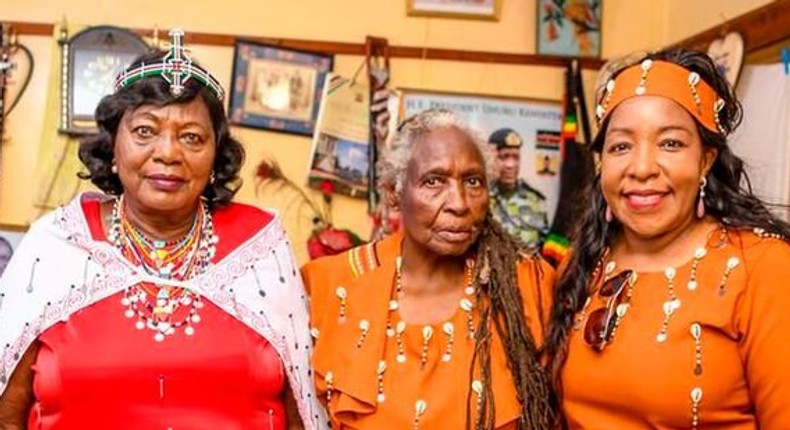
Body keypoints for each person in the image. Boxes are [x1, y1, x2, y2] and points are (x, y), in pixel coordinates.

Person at [0, 30, 326, 430]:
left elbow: (302, 414)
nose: (168, 153)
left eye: (191, 137)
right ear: (113, 149)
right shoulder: (56, 244)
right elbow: (7, 414)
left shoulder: (259, 245)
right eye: (144, 132)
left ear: (215, 156)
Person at [546, 48, 790, 429]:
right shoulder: (582, 264)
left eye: (670, 143)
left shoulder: (763, 266)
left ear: (706, 159)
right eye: (621, 146)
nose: (642, 168)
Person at [302, 109, 559, 430]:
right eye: (434, 181)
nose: (460, 203)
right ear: (393, 193)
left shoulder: (528, 285)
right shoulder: (332, 284)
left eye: (473, 181)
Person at [488, 128, 549, 251]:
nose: (510, 165)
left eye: (516, 157)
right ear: (492, 158)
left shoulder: (536, 200)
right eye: (504, 157)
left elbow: (544, 247)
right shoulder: (481, 198)